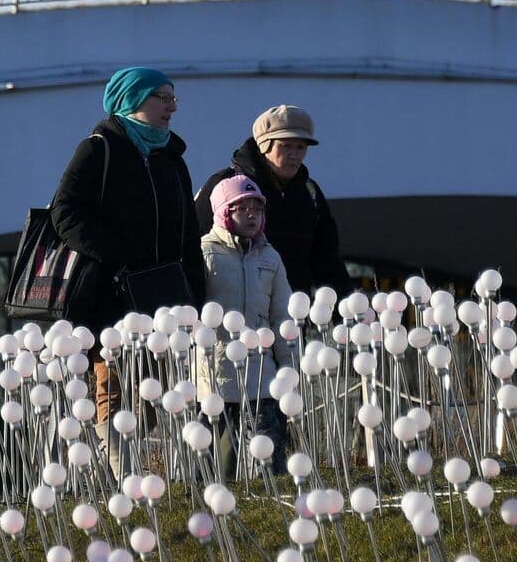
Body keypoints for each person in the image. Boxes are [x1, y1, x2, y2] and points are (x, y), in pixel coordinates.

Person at [50, 67, 208, 449]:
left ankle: (156, 478)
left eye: (173, 98)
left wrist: (195, 292)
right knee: (115, 387)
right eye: (162, 98)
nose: (171, 107)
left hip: (165, 296)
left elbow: (188, 231)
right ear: (133, 101)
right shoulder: (98, 149)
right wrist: (119, 256)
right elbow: (65, 212)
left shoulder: (172, 158)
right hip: (111, 295)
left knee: (159, 391)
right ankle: (118, 474)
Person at [195, 104, 349, 297]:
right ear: (264, 145)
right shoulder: (225, 185)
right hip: (234, 315)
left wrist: (346, 308)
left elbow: (327, 259)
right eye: (286, 146)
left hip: (295, 313)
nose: (294, 155)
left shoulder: (310, 192)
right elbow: (194, 246)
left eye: (301, 147)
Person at [196, 175, 294, 477]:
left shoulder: (270, 257)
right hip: (215, 378)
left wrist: (290, 367)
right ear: (224, 212)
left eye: (258, 208)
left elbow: (282, 316)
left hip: (261, 377)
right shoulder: (203, 252)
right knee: (214, 463)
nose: (252, 214)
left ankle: (270, 507)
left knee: (268, 461)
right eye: (242, 207)